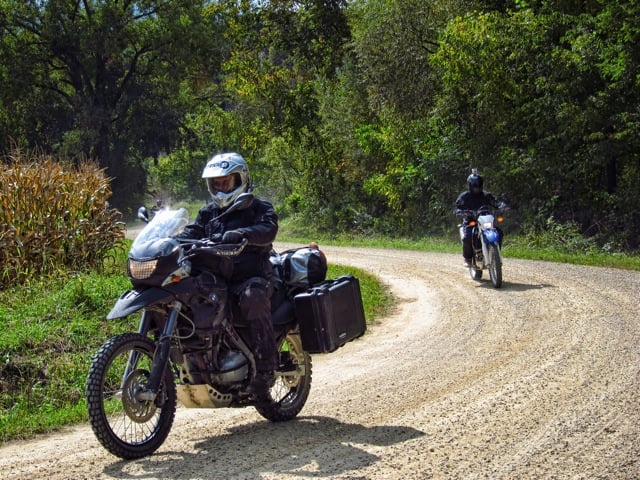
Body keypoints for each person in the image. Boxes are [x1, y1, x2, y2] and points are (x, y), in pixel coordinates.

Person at [178, 152, 278, 398]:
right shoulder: (208, 213)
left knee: (253, 297)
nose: (220, 187)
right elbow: (191, 231)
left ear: (240, 179)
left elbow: (268, 229)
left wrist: (243, 233)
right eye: (216, 183)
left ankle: (266, 368)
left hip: (252, 277)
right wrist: (171, 240)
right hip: (218, 278)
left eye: (226, 182)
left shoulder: (258, 206)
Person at [454, 169, 506, 267]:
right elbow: (457, 208)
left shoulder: (486, 195)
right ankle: (468, 258)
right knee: (467, 237)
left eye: (478, 185)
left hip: (485, 219)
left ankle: (495, 254)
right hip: (471, 220)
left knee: (499, 232)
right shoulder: (465, 196)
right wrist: (461, 212)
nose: (477, 188)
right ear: (470, 185)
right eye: (475, 186)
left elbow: (495, 202)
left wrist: (501, 206)